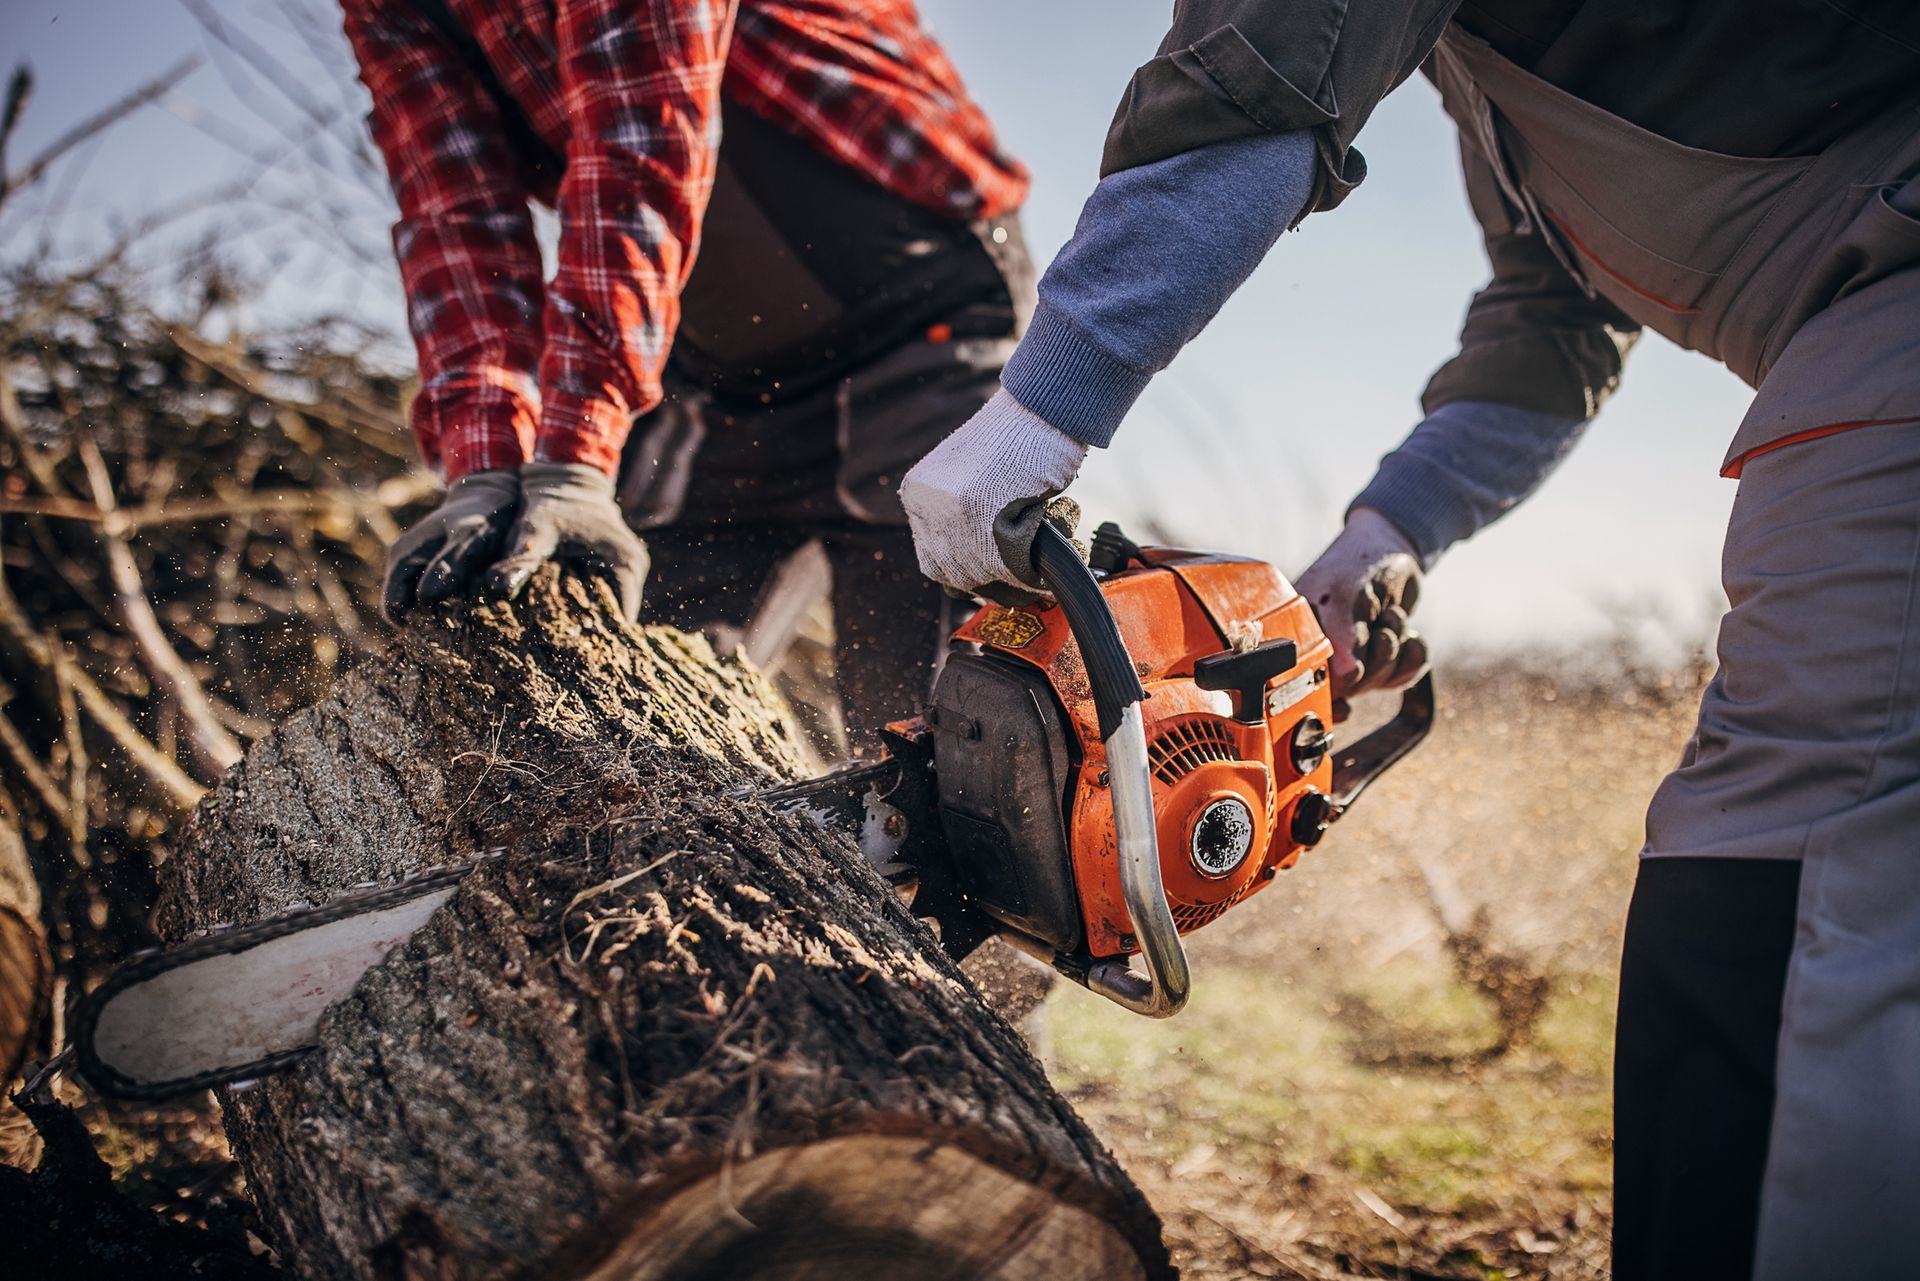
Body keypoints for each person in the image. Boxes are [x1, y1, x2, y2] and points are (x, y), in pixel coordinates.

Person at [897, 5, 1920, 1278]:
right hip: (1858, 298)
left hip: (1889, 296)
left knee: (1798, 828)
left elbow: (1263, 67)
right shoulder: (1488, 77)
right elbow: (1555, 325)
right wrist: (1388, 533)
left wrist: (1043, 408)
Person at [341, 0, 1031, 751]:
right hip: (719, 380)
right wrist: (484, 466)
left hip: (923, 321)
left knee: (936, 747)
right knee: (629, 713)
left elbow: (637, 150)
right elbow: (453, 214)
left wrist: (574, 457)